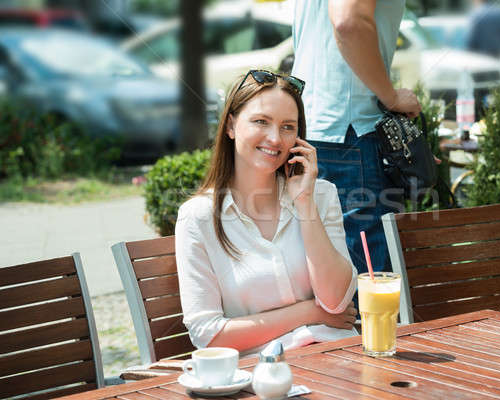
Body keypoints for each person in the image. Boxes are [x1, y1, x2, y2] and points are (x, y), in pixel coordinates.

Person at [175, 70, 358, 356]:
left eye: (288, 127)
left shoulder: (320, 195)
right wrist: (310, 312)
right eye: (261, 121)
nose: (275, 138)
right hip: (263, 374)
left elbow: (335, 302)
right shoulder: (198, 217)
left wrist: (305, 202)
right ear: (231, 126)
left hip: (339, 357)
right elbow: (208, 336)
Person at [292, 0, 421, 277]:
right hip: (351, 136)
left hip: (315, 130)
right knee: (371, 289)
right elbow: (348, 21)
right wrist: (391, 97)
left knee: (329, 284)